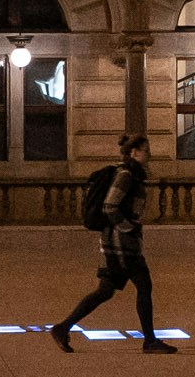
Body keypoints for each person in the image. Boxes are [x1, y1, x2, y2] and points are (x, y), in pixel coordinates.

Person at [54, 132, 172, 352]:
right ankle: (150, 341)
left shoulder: (132, 174)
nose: (150, 155)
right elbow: (110, 205)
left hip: (116, 244)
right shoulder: (126, 175)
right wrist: (128, 227)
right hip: (122, 246)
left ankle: (63, 327)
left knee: (105, 291)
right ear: (134, 152)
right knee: (144, 285)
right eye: (146, 150)